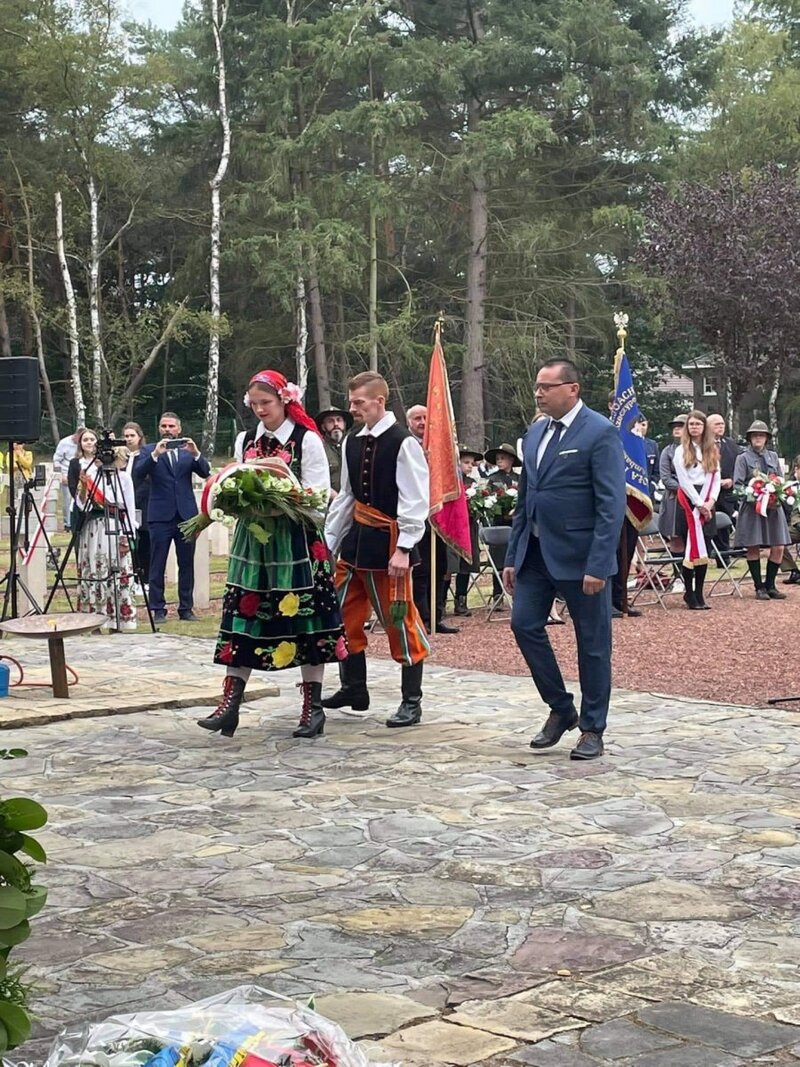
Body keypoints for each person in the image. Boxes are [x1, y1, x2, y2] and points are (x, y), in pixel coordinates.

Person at [197, 370, 345, 740]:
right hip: (254, 544)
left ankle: (312, 709)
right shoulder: (246, 439)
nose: (260, 410)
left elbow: (318, 497)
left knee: (307, 621)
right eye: (255, 404)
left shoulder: (306, 440)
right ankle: (230, 704)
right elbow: (231, 483)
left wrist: (281, 496)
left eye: (267, 402)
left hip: (296, 542)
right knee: (243, 617)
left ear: (284, 400)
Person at [503, 358, 625, 761]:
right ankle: (561, 707)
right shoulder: (535, 433)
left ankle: (592, 728)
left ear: (572, 389)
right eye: (537, 386)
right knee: (523, 624)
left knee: (592, 645)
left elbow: (611, 505)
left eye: (547, 386)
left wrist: (599, 564)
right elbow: (526, 500)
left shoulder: (599, 432)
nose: (538, 393)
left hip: (581, 556)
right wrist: (513, 555)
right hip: (536, 554)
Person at [323, 371, 430, 727]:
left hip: (390, 544)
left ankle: (411, 701)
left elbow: (415, 499)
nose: (353, 408)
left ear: (379, 401)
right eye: (352, 402)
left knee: (398, 619)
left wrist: (404, 548)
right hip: (356, 543)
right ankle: (354, 688)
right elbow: (346, 497)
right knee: (341, 613)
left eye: (359, 402)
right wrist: (329, 542)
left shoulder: (403, 442)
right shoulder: (352, 441)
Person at [133, 412, 211, 623]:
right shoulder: (149, 450)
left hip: (185, 515)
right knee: (157, 563)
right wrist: (155, 455)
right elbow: (138, 473)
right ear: (159, 428)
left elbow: (205, 472)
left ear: (179, 429)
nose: (167, 430)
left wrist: (196, 454)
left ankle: (186, 608)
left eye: (171, 426)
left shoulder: (187, 451)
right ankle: (158, 608)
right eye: (164, 426)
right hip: (160, 515)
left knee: (186, 563)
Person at [68, 429, 138, 632]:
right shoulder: (89, 475)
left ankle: (118, 620)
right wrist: (83, 486)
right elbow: (82, 505)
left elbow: (129, 508)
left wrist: (128, 536)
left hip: (116, 526)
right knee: (95, 570)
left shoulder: (123, 479)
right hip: (93, 529)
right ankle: (94, 620)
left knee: (117, 571)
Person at [406, 403, 459, 634]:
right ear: (408, 422)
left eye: (425, 418)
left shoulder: (439, 445)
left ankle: (436, 615)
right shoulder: (406, 445)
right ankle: (421, 617)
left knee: (440, 568)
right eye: (417, 418)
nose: (422, 423)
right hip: (416, 515)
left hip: (438, 515)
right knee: (421, 570)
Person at [734, 420, 790, 601]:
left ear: (766, 438)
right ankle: (759, 587)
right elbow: (737, 486)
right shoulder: (742, 458)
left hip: (774, 508)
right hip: (753, 509)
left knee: (779, 546)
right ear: (749, 438)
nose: (758, 438)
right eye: (755, 435)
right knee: (753, 546)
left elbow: (780, 480)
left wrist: (778, 494)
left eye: (761, 435)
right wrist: (755, 496)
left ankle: (771, 585)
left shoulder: (773, 456)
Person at [673, 410, 720, 610]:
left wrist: (710, 502)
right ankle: (689, 593)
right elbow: (683, 481)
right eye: (691, 424)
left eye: (698, 424)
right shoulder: (681, 451)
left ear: (704, 427)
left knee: (704, 547)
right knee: (690, 547)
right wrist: (699, 503)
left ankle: (700, 593)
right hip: (688, 501)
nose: (694, 427)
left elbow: (716, 478)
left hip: (707, 500)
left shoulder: (712, 450)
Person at [484, 442, 521, 610]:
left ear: (511, 460)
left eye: (502, 458)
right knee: (498, 557)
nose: (499, 461)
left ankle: (518, 593)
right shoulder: (493, 479)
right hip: (499, 522)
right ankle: (497, 594)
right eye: (497, 458)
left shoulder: (519, 479)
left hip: (516, 522)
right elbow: (487, 499)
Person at [448, 447, 483, 616]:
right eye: (466, 462)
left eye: (472, 463)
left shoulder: (473, 483)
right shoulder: (450, 481)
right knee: (449, 565)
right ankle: (440, 601)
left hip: (469, 526)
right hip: (452, 527)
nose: (469, 466)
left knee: (466, 564)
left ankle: (461, 600)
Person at [123, 422, 151, 593]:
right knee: (129, 544)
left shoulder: (145, 456)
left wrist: (133, 499)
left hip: (142, 505)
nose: (129, 439)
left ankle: (145, 580)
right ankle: (132, 578)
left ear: (139, 437)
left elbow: (146, 481)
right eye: (126, 436)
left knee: (145, 543)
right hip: (125, 508)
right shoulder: (122, 457)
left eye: (132, 435)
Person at [707, 413, 740, 558]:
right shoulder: (702, 445)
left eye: (722, 424)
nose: (721, 427)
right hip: (707, 493)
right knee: (709, 525)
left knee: (725, 525)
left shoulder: (731, 444)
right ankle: (707, 554)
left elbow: (738, 466)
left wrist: (732, 480)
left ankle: (724, 557)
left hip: (727, 493)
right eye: (717, 424)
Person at [657, 414, 687, 552]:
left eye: (680, 426)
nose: (676, 429)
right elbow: (666, 478)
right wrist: (685, 489)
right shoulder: (667, 451)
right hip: (674, 498)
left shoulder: (698, 450)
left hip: (697, 498)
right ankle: (677, 566)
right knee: (676, 536)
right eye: (674, 427)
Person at [315, 408, 353, 494]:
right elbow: (317, 479)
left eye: (339, 420)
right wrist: (335, 498)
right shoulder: (319, 448)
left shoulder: (353, 444)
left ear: (344, 424)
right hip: (328, 499)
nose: (336, 424)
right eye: (330, 421)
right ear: (323, 427)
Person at [53, 429, 81, 532]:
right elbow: (56, 460)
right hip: (66, 473)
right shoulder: (64, 443)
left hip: (81, 472)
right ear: (75, 435)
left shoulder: (84, 444)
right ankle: (68, 523)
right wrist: (61, 475)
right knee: (68, 500)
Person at [780, 454, 800, 584]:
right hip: (794, 527)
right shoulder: (786, 488)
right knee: (776, 538)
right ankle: (794, 571)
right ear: (796, 469)